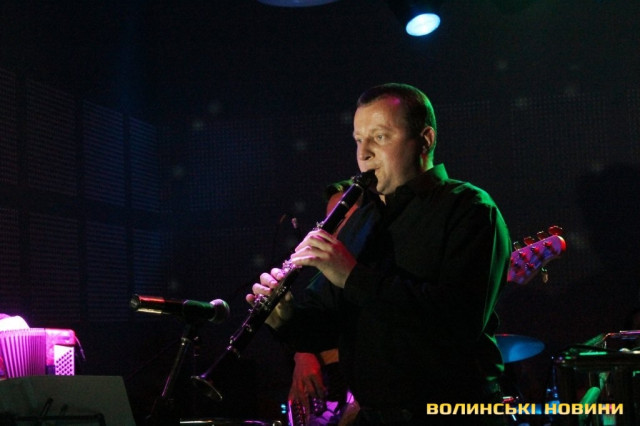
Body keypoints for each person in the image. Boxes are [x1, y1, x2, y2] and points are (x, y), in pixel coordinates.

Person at [248, 83, 511, 424]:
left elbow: (457, 323)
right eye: (359, 140)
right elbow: (329, 324)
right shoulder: (360, 219)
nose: (364, 153)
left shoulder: (470, 208)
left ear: (425, 140)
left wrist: (352, 276)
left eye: (380, 137)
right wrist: (285, 319)